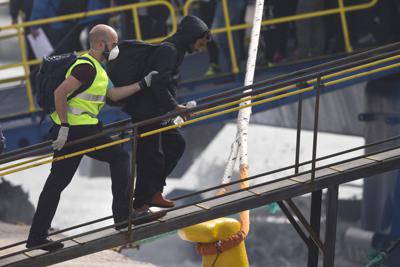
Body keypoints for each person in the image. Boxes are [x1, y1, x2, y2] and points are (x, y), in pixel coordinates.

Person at [26, 24, 159, 252]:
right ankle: (122, 216)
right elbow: (60, 93)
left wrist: (143, 83)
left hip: (81, 131)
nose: (116, 48)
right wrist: (65, 127)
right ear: (100, 44)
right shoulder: (85, 67)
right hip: (77, 131)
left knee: (56, 184)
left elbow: (113, 94)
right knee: (119, 158)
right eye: (114, 44)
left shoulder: (98, 68)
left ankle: (37, 237)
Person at [120, 15, 210, 214]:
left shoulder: (175, 51)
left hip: (158, 110)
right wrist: (175, 107)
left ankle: (152, 192)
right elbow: (158, 84)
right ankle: (140, 203)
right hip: (147, 112)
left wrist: (174, 106)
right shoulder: (168, 50)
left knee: (175, 145)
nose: (201, 48)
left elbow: (165, 83)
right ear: (191, 36)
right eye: (200, 42)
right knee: (150, 156)